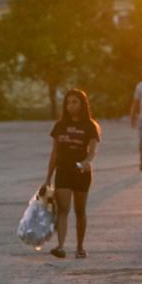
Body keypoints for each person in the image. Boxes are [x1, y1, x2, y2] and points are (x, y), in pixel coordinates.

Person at [43, 89, 101, 260]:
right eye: (68, 103)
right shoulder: (59, 126)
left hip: (81, 172)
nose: (70, 106)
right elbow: (54, 153)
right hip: (63, 171)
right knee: (63, 209)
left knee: (80, 210)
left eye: (74, 102)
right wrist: (48, 177)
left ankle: (80, 247)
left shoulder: (90, 126)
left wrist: (86, 163)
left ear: (82, 104)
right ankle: (60, 246)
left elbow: (92, 153)